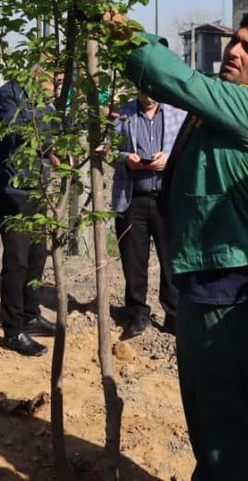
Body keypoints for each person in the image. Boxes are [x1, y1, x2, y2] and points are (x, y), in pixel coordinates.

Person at [114, 10, 248, 479]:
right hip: (206, 281)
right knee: (208, 411)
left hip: (232, 289)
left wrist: (116, 25)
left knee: (226, 420)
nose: (235, 51)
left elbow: (170, 78)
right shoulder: (226, 105)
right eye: (236, 42)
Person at [0, 76, 58, 357]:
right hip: (11, 190)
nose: (57, 87)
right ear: (39, 74)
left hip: (35, 188)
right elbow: (18, 133)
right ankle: (13, 329)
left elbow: (54, 126)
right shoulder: (8, 97)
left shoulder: (38, 100)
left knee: (37, 257)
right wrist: (52, 144)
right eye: (55, 81)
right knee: (17, 261)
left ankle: (30, 315)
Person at [110, 91, 186, 338]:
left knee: (172, 261)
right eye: (144, 89)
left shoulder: (178, 113)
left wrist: (170, 159)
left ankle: (174, 317)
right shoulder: (124, 114)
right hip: (133, 199)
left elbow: (190, 150)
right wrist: (126, 160)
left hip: (169, 200)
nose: (149, 95)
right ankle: (137, 315)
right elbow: (107, 151)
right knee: (134, 261)